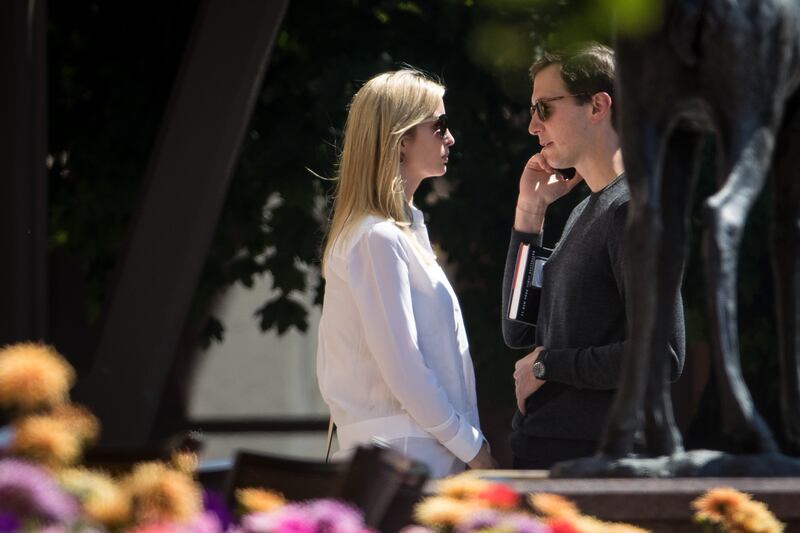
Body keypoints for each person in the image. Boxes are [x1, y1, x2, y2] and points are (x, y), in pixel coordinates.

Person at [501, 43, 686, 469]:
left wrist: (547, 366)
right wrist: (529, 215)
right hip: (551, 451)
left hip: (596, 461)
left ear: (598, 106)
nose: (532, 126)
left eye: (544, 109)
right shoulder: (585, 210)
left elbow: (662, 356)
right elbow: (518, 327)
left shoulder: (632, 210)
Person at [317, 69, 495, 477]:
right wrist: (473, 447)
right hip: (403, 460)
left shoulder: (393, 232)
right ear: (401, 140)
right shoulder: (376, 237)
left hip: (418, 455)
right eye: (439, 126)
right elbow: (404, 370)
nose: (450, 138)